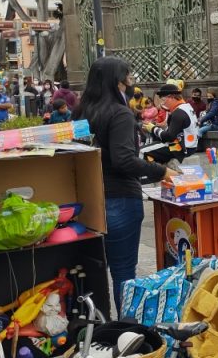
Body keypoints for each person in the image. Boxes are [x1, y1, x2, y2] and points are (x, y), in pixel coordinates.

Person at [75, 57, 177, 311]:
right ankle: (124, 331)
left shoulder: (81, 111)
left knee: (93, 274)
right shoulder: (119, 113)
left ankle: (94, 330)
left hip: (86, 202)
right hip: (119, 199)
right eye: (128, 78)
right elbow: (124, 160)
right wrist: (161, 171)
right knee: (123, 274)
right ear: (117, 81)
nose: (130, 84)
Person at [143, 84, 199, 159]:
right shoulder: (186, 107)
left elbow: (169, 137)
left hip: (180, 149)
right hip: (189, 147)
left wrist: (153, 128)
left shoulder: (178, 112)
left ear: (171, 97)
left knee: (141, 151)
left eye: (163, 100)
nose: (163, 103)